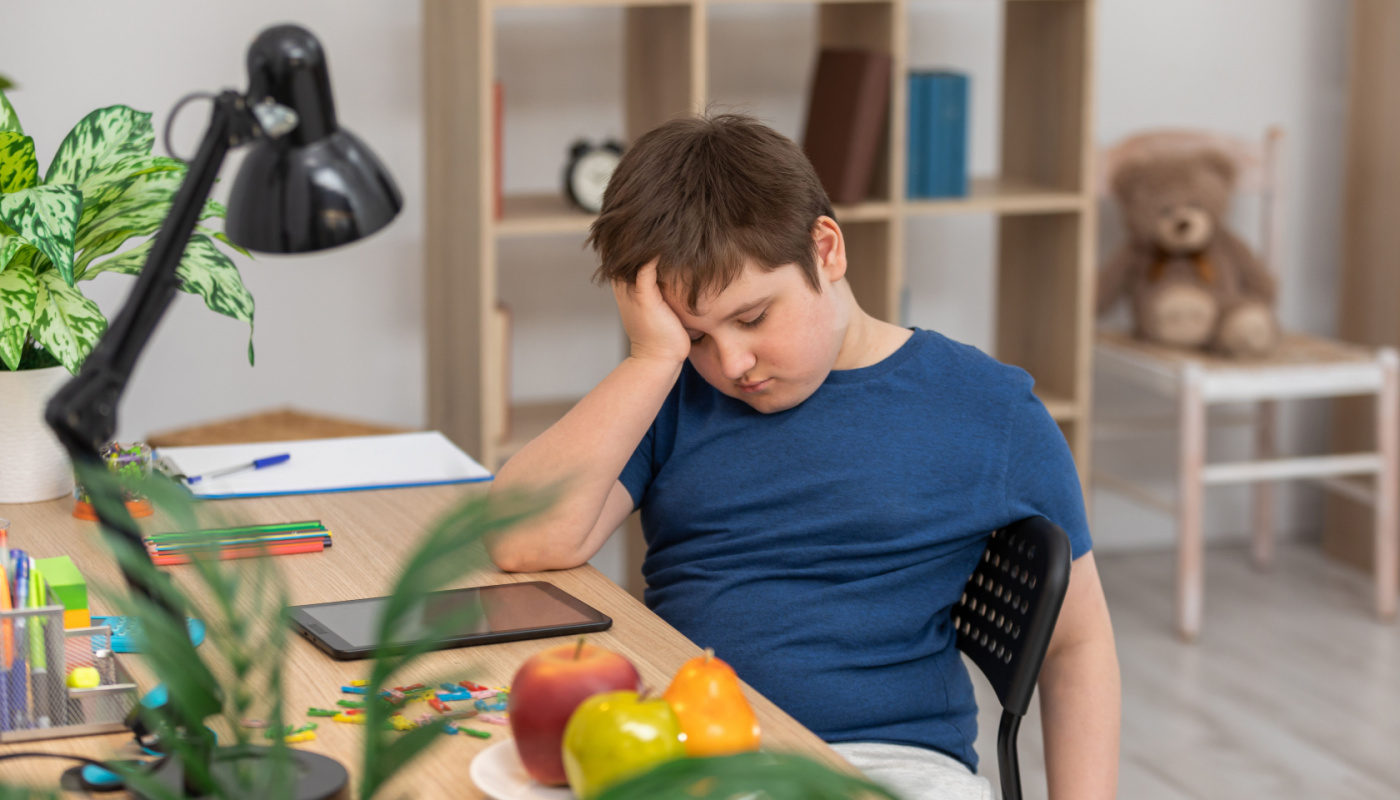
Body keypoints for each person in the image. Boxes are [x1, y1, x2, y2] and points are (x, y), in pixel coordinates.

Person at [487, 112, 1120, 800]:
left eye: (753, 318)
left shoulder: (990, 410)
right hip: (695, 748)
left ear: (826, 250)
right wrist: (651, 360)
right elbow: (524, 540)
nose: (732, 363)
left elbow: (1076, 647)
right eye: (695, 336)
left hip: (884, 767)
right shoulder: (672, 395)